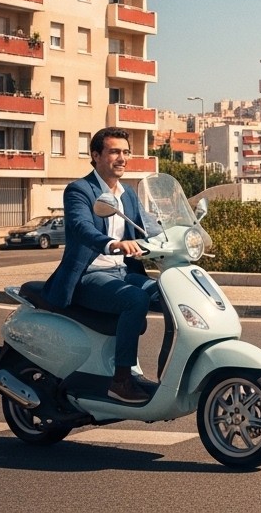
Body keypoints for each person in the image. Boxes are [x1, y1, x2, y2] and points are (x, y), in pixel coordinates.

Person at [40, 126, 155, 404]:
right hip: (89, 276)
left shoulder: (127, 193)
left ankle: (174, 372)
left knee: (167, 294)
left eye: (126, 152)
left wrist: (179, 234)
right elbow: (81, 227)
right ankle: (121, 380)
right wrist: (112, 243)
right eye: (114, 151)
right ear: (96, 155)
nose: (122, 158)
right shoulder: (80, 190)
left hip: (123, 272)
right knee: (135, 300)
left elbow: (146, 226)